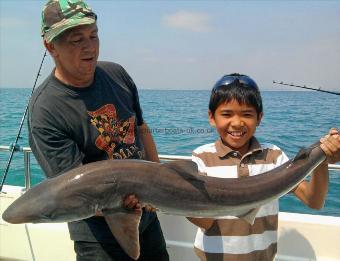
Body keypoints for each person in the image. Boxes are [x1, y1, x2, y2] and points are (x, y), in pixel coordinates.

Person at [28, 0, 169, 260]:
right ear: (50, 46)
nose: (89, 46)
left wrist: (161, 180)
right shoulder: (46, 111)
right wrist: (128, 199)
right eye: (76, 39)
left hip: (148, 217)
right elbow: (76, 195)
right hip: (98, 239)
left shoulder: (117, 74)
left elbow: (141, 128)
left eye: (93, 35)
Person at [187, 73, 340, 261]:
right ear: (212, 117)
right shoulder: (200, 158)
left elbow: (314, 201)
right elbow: (206, 221)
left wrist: (322, 159)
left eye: (247, 114)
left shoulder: (274, 156)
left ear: (259, 118)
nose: (237, 123)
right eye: (226, 114)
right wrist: (163, 199)